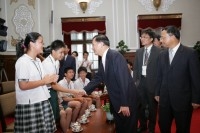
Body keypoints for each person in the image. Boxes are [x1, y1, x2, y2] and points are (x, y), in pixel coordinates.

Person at [83, 34, 138, 133]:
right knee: (120, 128)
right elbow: (98, 77)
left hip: (126, 101)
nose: (92, 48)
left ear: (101, 44)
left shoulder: (115, 56)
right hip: (116, 100)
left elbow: (123, 80)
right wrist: (84, 90)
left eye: (93, 44)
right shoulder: (104, 58)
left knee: (128, 129)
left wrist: (125, 103)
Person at [155, 25, 200, 133]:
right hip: (164, 101)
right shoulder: (162, 55)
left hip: (183, 101)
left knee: (183, 128)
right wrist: (157, 92)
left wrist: (196, 99)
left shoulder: (190, 53)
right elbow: (159, 75)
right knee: (163, 126)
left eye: (163, 37)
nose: (161, 40)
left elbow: (196, 78)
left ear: (173, 37)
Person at [14, 32, 58, 132]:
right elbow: (23, 85)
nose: (43, 45)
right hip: (31, 103)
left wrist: (49, 79)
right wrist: (44, 81)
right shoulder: (23, 61)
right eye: (41, 42)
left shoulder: (37, 61)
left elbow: (40, 80)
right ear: (32, 44)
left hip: (42, 98)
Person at [42, 40, 84, 132]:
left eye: (63, 52)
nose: (62, 55)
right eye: (60, 52)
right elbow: (54, 86)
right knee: (50, 119)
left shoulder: (56, 62)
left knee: (54, 118)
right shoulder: (48, 64)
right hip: (47, 93)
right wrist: (74, 91)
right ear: (53, 51)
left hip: (53, 91)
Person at [133, 29, 161, 133]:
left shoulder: (158, 51)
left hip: (153, 84)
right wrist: (135, 82)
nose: (142, 39)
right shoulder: (139, 51)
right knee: (140, 106)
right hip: (141, 83)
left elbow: (160, 71)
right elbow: (135, 68)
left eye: (145, 37)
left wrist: (158, 88)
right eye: (141, 37)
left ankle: (151, 128)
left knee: (152, 108)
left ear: (151, 39)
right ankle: (143, 125)